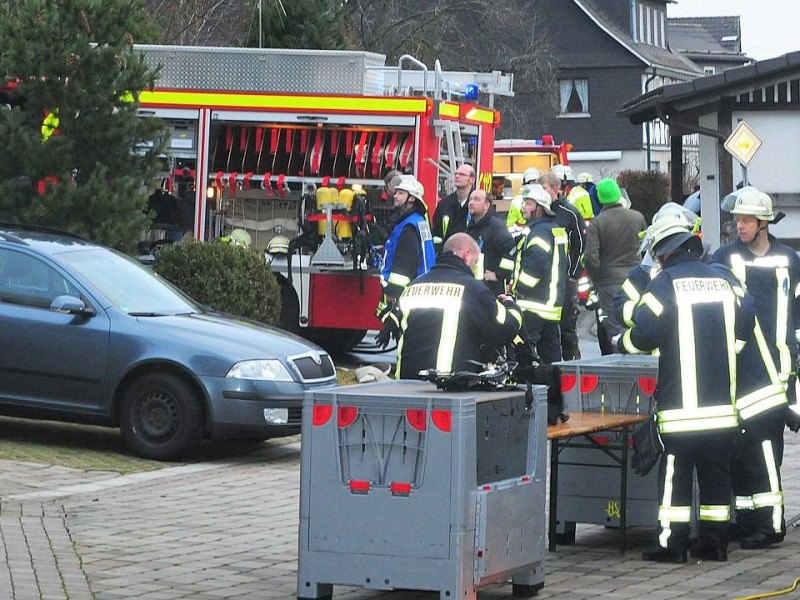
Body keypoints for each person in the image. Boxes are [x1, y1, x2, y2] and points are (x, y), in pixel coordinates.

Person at [619, 212, 759, 564]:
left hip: (680, 409)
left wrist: (624, 341)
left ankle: (671, 544)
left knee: (675, 480)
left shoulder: (664, 284)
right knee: (716, 478)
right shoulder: (723, 281)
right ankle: (715, 544)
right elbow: (746, 324)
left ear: (664, 253)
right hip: (722, 409)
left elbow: (643, 333)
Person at [712, 186, 800, 549]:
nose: (740, 227)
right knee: (740, 449)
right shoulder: (723, 258)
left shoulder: (790, 261)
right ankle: (748, 520)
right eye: (738, 221)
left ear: (764, 223)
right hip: (739, 369)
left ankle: (769, 524)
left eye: (747, 220)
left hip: (778, 371)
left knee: (766, 449)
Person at [391, 233, 523, 379]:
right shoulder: (473, 289)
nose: (475, 267)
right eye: (476, 261)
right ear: (466, 255)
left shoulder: (412, 287)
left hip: (406, 385)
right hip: (446, 387)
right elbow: (505, 329)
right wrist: (512, 306)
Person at [500, 184, 569, 363]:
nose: (524, 207)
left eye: (528, 204)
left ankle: (525, 386)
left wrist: (518, 290)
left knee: (521, 348)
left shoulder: (538, 232)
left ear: (539, 208)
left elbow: (537, 266)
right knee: (551, 353)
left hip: (533, 303)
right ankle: (554, 387)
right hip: (551, 303)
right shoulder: (555, 229)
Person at [584, 178, 647, 354]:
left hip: (608, 283)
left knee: (615, 330)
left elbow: (591, 258)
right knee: (636, 323)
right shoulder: (638, 217)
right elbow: (646, 249)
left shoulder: (598, 223)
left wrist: (596, 278)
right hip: (636, 281)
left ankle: (619, 371)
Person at [375, 175, 436, 343]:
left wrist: (393, 295)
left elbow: (405, 265)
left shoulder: (408, 226)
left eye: (400, 193)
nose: (395, 195)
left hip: (408, 293)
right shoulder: (418, 221)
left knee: (407, 343)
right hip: (421, 290)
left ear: (411, 199)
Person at [539, 172, 586, 360]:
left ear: (555, 189)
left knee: (566, 324)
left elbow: (580, 244)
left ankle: (571, 360)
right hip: (544, 279)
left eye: (544, 189)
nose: (540, 193)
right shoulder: (539, 212)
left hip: (565, 279)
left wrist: (573, 274)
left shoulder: (569, 213)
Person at [466, 189, 516, 295]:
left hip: (491, 288)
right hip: (473, 285)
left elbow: (511, 250)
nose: (471, 202)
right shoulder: (470, 226)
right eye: (470, 199)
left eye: (476, 199)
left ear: (486, 205)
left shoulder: (496, 228)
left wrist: (499, 275)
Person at [432, 164, 475, 249]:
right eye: (456, 174)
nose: (457, 176)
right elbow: (436, 233)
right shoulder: (444, 204)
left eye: (462, 174)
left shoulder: (477, 205)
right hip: (447, 255)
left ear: (472, 180)